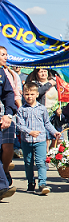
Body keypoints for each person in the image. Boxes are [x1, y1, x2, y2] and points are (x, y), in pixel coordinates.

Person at [16, 82, 61, 195]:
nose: (29, 96)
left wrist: (55, 132)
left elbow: (47, 123)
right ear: (23, 95)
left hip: (40, 140)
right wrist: (29, 132)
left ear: (37, 94)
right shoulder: (21, 110)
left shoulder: (42, 109)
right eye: (27, 94)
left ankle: (42, 183)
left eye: (32, 94)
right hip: (27, 140)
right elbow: (20, 125)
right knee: (28, 162)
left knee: (41, 162)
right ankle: (31, 182)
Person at [0, 46, 21, 178]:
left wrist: (8, 114)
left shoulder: (7, 73)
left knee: (8, 147)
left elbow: (10, 94)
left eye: (6, 54)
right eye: (2, 55)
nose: (6, 57)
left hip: (6, 113)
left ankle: (5, 171)